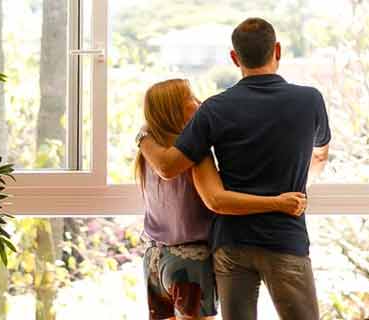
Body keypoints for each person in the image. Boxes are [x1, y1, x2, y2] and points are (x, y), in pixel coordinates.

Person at [139, 18, 332, 320]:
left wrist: (142, 138)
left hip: (230, 244)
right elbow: (320, 156)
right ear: (277, 50)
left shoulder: (214, 109)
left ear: (234, 57)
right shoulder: (310, 100)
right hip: (284, 238)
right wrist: (295, 185)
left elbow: (169, 166)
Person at [137, 79, 309, 320]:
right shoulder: (191, 153)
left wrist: (142, 136)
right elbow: (218, 200)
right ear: (174, 109)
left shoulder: (148, 152)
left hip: (155, 261)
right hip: (189, 264)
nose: (199, 102)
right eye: (191, 97)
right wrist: (278, 202)